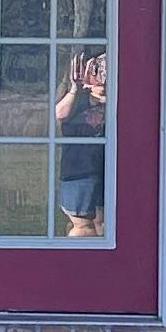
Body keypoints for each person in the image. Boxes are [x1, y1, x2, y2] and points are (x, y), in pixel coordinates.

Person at [53, 45, 110, 237]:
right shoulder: (77, 98)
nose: (102, 75)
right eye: (97, 68)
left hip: (108, 171)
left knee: (104, 224)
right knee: (83, 226)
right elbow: (59, 114)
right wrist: (76, 88)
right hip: (78, 172)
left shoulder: (120, 100)